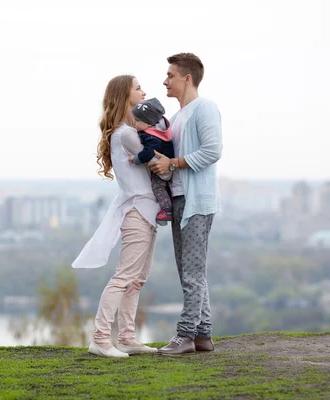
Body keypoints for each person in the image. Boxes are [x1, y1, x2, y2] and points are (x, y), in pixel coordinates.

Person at [72, 75, 160, 358]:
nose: (144, 92)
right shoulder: (126, 134)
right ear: (125, 96)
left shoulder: (126, 132)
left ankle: (126, 337)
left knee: (137, 279)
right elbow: (159, 163)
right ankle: (100, 338)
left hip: (145, 211)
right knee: (124, 277)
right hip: (137, 211)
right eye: (138, 88)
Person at [149, 53, 223, 355]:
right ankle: (203, 335)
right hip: (180, 200)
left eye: (170, 75)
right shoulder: (178, 117)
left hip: (197, 203)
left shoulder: (204, 108)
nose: (165, 81)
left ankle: (185, 336)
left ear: (187, 78)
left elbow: (213, 150)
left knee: (192, 272)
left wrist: (175, 163)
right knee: (190, 271)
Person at [130, 97, 175, 225]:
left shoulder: (151, 136)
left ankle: (167, 210)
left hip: (161, 168)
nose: (134, 123)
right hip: (167, 165)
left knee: (158, 188)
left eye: (137, 120)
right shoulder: (159, 130)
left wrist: (136, 158)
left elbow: (149, 153)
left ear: (149, 124)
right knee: (165, 188)